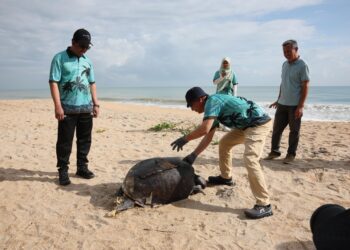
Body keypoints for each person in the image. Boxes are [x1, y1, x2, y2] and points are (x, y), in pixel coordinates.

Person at [171, 87, 273, 219]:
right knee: (224, 143)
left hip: (258, 124)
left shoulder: (212, 101)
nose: (192, 109)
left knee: (250, 159)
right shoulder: (213, 108)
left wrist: (185, 138)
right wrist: (193, 155)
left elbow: (204, 129)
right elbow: (208, 135)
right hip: (244, 126)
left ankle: (264, 205)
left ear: (201, 99)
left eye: (191, 105)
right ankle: (226, 178)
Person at [49, 28, 100, 186]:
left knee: (85, 140)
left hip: (86, 107)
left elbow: (92, 83)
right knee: (65, 142)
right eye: (81, 46)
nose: (84, 49)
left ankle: (81, 167)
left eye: (87, 47)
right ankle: (63, 170)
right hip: (67, 108)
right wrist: (58, 106)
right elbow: (53, 82)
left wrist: (96, 103)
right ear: (73, 43)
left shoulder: (88, 61)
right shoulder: (59, 58)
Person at [265, 39, 310, 164]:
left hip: (294, 105)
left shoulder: (302, 65)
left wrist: (300, 106)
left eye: (289, 51)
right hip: (282, 104)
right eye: (284, 51)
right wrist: (278, 99)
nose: (286, 53)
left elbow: (305, 85)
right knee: (276, 130)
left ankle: (291, 155)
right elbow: (283, 84)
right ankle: (274, 152)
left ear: (296, 50)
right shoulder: (284, 64)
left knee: (294, 131)